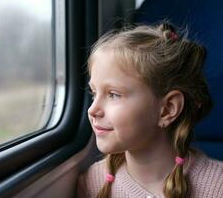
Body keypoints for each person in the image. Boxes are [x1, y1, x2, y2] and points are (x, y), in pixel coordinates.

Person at [76, 22, 223, 198]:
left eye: (113, 95)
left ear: (167, 109)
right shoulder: (93, 182)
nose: (93, 110)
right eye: (94, 93)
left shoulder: (217, 187)